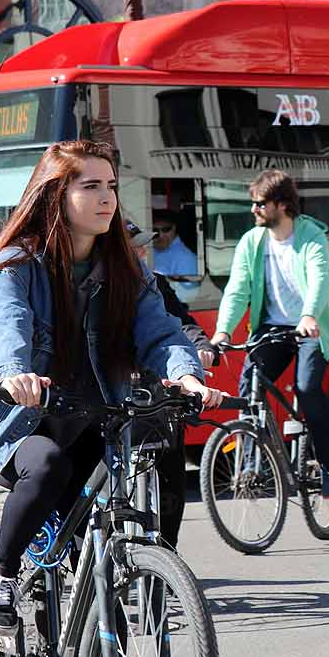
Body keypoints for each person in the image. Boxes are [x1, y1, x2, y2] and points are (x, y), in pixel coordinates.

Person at [0, 141, 223, 634]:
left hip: (95, 417)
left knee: (98, 562)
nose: (107, 198)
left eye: (112, 187)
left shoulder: (125, 267)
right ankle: (0, 573)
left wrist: (186, 374)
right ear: (56, 195)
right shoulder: (17, 264)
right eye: (91, 187)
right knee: (48, 467)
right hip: (25, 420)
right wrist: (12, 374)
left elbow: (159, 330)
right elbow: (6, 324)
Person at [210, 170, 329, 498]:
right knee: (249, 386)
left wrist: (310, 315)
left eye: (259, 204)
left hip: (309, 326)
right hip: (272, 328)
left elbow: (320, 279)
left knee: (307, 388)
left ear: (282, 205)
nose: (253, 210)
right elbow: (237, 291)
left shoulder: (311, 236)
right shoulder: (252, 242)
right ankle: (251, 466)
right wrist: (223, 331)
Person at [128, 221, 219, 546]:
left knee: (170, 472)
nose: (143, 251)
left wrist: (202, 347)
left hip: (154, 392)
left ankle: (166, 555)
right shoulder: (98, 282)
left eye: (144, 245)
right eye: (135, 246)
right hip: (113, 392)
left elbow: (180, 324)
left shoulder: (155, 283)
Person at [149, 208, 201, 302]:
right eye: (155, 230)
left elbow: (188, 296)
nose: (160, 235)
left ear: (174, 228)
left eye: (166, 229)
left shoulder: (185, 258)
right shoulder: (147, 250)